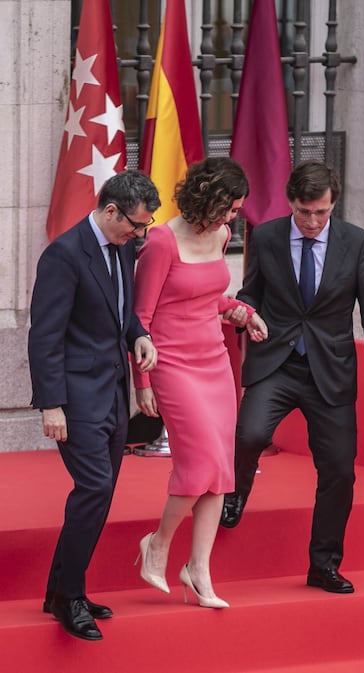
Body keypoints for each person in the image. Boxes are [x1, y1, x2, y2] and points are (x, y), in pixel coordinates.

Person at [220, 159, 364, 594]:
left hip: (330, 372)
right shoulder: (267, 236)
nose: (313, 221)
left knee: (338, 470)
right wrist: (244, 313)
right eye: (304, 211)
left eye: (321, 212)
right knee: (249, 435)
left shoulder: (356, 243)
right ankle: (236, 493)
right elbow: (250, 292)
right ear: (290, 203)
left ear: (333, 204)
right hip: (277, 361)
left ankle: (323, 564)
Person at [28, 170, 160, 640]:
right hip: (76, 398)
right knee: (94, 489)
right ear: (110, 211)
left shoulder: (121, 248)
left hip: (112, 391)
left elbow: (120, 311)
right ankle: (70, 597)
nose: (139, 234)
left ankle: (59, 590)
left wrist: (139, 336)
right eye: (135, 225)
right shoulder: (64, 255)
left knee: (99, 494)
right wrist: (51, 405)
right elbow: (44, 336)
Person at [132, 157, 268, 608]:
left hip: (214, 360)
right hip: (171, 362)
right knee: (197, 469)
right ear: (208, 200)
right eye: (230, 208)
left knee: (220, 471)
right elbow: (141, 318)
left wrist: (243, 312)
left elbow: (210, 297)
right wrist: (143, 381)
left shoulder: (223, 234)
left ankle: (199, 572)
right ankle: (157, 544)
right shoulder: (161, 242)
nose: (234, 218)